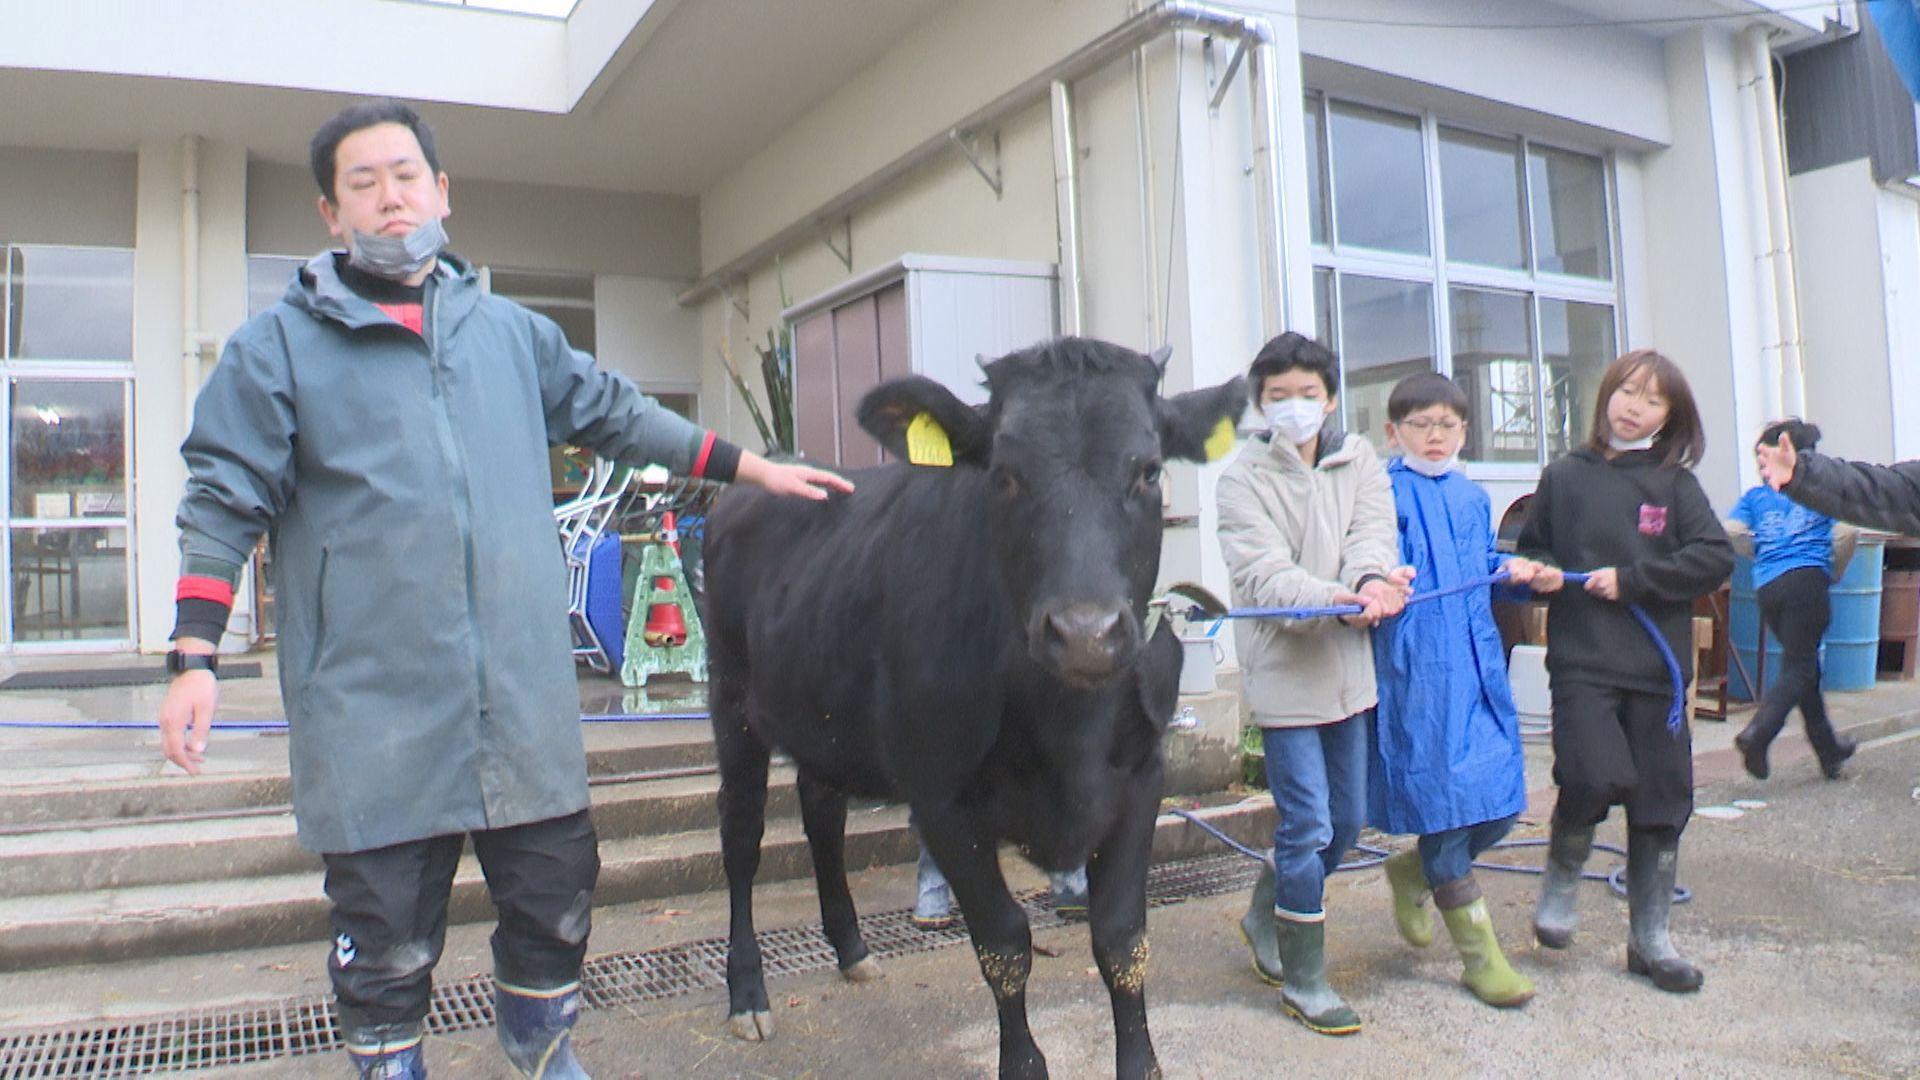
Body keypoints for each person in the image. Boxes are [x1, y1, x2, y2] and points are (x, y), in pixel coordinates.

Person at [155, 100, 851, 1080]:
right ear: (331, 214)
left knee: (556, 900)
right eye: (364, 183)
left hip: (521, 704)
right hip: (371, 716)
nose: (390, 198)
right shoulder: (276, 351)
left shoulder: (511, 336)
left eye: (406, 175)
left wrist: (753, 470)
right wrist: (195, 658)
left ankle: (538, 1043)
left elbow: (616, 415)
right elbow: (222, 499)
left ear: (443, 191)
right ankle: (390, 1062)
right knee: (386, 935)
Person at [1516, 349, 1733, 995]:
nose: (1635, 406)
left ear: (1671, 417)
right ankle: (1560, 875)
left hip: (1656, 673)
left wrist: (1635, 580)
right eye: (1628, 391)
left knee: (1663, 799)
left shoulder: (1675, 483)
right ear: (1606, 392)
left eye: (1653, 399)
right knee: (1590, 773)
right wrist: (1539, 575)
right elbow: (1532, 554)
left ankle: (1651, 938)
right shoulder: (1565, 475)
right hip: (1583, 662)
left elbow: (1714, 558)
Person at [1216, 331, 1412, 1036]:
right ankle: (1305, 978)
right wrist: (1339, 599)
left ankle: (1263, 911)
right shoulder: (1241, 480)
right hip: (1285, 674)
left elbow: (1372, 536)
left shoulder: (1359, 460)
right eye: (1279, 398)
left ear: (1330, 398)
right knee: (1307, 825)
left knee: (1347, 824)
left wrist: (1371, 581)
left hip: (1349, 674)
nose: (1295, 408)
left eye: (1308, 395)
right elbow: (1263, 574)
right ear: (1260, 404)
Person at [1368, 373, 1544, 1009]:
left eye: (1447, 425)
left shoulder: (1472, 498)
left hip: (1478, 671)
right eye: (1420, 424)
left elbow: (1481, 571)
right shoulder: (1384, 495)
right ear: (1394, 432)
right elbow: (1369, 568)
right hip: (1417, 674)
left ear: (1465, 431)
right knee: (1446, 814)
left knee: (1499, 800)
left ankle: (1410, 870)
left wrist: (1516, 575)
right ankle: (1480, 958)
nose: (1435, 436)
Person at [1724, 420, 1859, 781]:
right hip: (1807, 583)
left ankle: (1829, 750)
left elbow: (1731, 531)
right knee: (1800, 667)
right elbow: (1847, 533)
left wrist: (1764, 553)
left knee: (1803, 666)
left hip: (1769, 589)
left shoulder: (1755, 497)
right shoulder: (1818, 493)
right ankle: (1758, 734)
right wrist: (1833, 570)